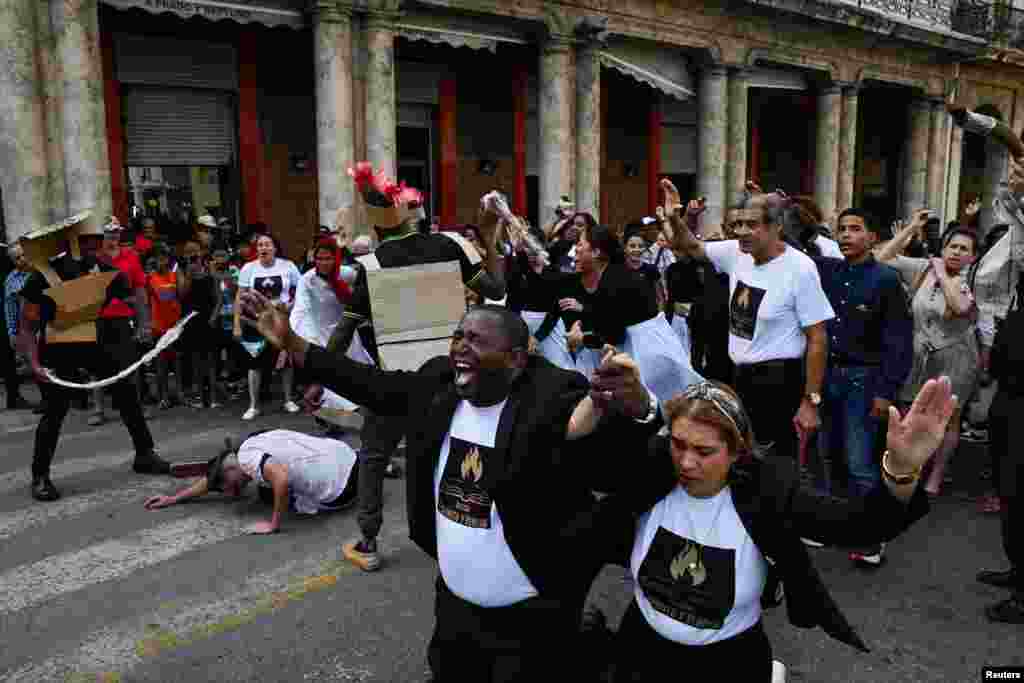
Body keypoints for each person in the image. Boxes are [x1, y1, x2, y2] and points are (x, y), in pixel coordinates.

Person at [238, 294, 658, 681]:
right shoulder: (437, 383)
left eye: (476, 340)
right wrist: (293, 343)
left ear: (515, 359)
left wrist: (640, 407)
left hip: (533, 618)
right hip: (456, 611)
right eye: (458, 336)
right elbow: (370, 383)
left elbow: (605, 451)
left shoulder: (551, 392)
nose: (460, 346)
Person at [592, 377, 951, 681]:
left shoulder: (769, 493)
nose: (686, 462)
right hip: (641, 651)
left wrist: (900, 470)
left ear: (736, 452)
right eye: (679, 444)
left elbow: (860, 526)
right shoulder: (653, 473)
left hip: (728, 663)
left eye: (704, 451)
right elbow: (587, 460)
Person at [324, 190, 507, 574]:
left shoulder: (374, 263)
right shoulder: (450, 246)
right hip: (449, 376)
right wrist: (491, 244)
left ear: (379, 227)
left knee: (375, 455)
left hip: (396, 380)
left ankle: (368, 541)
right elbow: (496, 290)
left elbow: (344, 330)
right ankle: (467, 534)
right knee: (458, 449)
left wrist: (318, 372)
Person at [665, 180, 835, 463]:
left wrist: (810, 401)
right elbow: (689, 246)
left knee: (773, 465)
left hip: (779, 383)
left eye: (751, 225)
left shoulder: (800, 268)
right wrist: (674, 217)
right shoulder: (736, 253)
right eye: (738, 224)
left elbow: (817, 338)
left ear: (776, 226)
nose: (741, 231)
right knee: (741, 461)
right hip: (738, 377)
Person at [17, 219, 170, 502]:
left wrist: (143, 324)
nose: (94, 245)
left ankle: (144, 454)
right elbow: (26, 326)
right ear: (70, 241)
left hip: (97, 341)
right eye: (86, 240)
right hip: (58, 345)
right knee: (55, 409)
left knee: (127, 394)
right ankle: (40, 475)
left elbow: (134, 295)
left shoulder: (104, 270)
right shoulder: (43, 275)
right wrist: (34, 363)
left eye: (95, 240)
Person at [814, 208, 913, 567]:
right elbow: (794, 242)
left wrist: (885, 392)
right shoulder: (829, 271)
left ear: (872, 238)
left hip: (864, 381)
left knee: (860, 461)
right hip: (828, 377)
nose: (846, 235)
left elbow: (899, 343)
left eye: (855, 228)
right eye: (841, 229)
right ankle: (834, 524)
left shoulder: (886, 280)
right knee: (829, 455)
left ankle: (873, 537)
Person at [876, 211, 979, 496]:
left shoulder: (972, 280)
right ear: (942, 249)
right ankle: (907, 467)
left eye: (964, 249)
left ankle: (936, 475)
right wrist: (910, 228)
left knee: (949, 416)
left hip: (956, 355)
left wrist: (943, 273)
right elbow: (881, 259)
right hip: (919, 353)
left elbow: (958, 307)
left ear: (972, 257)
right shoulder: (923, 268)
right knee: (910, 409)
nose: (956, 252)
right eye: (952, 246)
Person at [560, 221, 703, 407]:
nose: (576, 250)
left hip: (649, 352)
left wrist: (580, 339)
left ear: (596, 252)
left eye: (580, 244)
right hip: (648, 347)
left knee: (669, 405)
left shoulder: (613, 280)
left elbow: (613, 335)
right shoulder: (612, 275)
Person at [143, 429, 360, 534]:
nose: (232, 493)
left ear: (231, 468)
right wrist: (173, 499)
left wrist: (273, 524)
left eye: (231, 486)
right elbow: (211, 481)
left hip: (341, 490)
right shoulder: (253, 441)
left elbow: (282, 480)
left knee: (272, 491)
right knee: (267, 488)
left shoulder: (247, 460)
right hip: (345, 454)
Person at [979, 272, 1024, 623]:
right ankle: (1018, 571)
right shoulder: (1017, 313)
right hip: (1008, 406)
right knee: (1010, 496)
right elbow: (996, 363)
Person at [234, 234, 302, 420]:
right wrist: (237, 324)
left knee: (286, 362)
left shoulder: (288, 266)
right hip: (256, 321)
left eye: (267, 244)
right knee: (254, 363)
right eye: (260, 245)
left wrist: (290, 305)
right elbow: (239, 297)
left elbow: (302, 291)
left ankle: (288, 400)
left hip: (282, 319)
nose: (263, 248)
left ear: (275, 248)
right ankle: (253, 406)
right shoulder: (248, 268)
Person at [179, 240, 223, 408]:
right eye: (189, 253)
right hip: (191, 319)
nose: (193, 256)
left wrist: (214, 317)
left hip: (209, 318)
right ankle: (199, 396)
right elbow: (182, 294)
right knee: (196, 359)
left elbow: (219, 298)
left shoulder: (210, 271)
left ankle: (213, 397)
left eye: (195, 252)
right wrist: (189, 275)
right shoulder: (182, 271)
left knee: (211, 359)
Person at [146, 243, 183, 409]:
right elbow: (165, 296)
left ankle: (180, 394)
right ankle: (163, 397)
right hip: (159, 326)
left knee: (177, 360)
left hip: (175, 324)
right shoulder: (151, 277)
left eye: (165, 258)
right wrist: (174, 291)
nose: (163, 261)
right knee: (161, 363)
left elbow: (182, 293)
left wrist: (178, 273)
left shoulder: (174, 274)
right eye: (159, 258)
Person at [4, 243, 34, 410]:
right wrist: (12, 332)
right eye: (17, 258)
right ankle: (48, 399)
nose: (22, 259)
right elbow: (10, 309)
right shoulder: (11, 280)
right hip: (27, 327)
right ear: (12, 261)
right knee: (34, 363)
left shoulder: (40, 271)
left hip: (47, 324)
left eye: (23, 255)